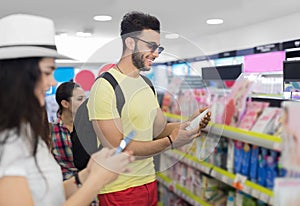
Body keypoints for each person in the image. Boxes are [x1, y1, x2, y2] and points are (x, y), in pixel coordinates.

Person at [0, 14, 133, 206]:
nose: (53, 82)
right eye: (47, 72)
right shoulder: (7, 143)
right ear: (18, 75)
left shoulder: (25, 131)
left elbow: (46, 195)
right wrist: (97, 181)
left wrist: (87, 174)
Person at [87, 11, 211, 205]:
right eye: (151, 46)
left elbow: (158, 130)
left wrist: (189, 124)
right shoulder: (105, 86)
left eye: (158, 48)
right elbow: (119, 148)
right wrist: (170, 141)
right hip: (119, 188)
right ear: (130, 43)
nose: (155, 53)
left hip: (149, 182)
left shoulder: (146, 84)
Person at [51, 82, 86, 180]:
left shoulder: (89, 126)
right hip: (64, 188)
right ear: (65, 103)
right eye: (80, 99)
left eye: (85, 98)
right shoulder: (51, 130)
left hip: (89, 185)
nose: (85, 102)